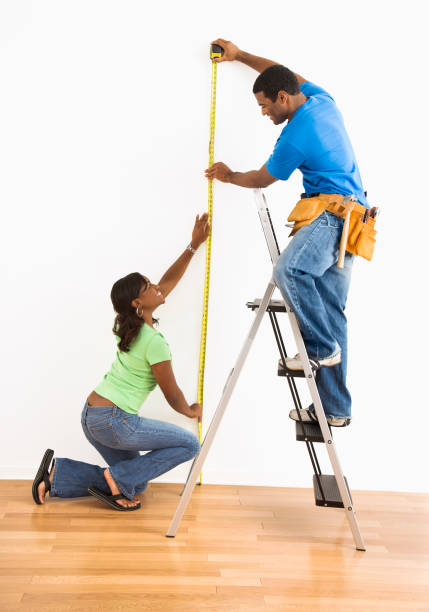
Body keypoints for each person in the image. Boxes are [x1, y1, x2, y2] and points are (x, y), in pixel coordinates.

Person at [205, 38, 370, 427]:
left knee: (289, 271)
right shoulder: (320, 99)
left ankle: (320, 348)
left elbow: (264, 177)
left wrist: (228, 176)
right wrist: (240, 55)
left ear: (282, 97)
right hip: (354, 218)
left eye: (265, 105)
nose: (263, 113)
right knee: (331, 312)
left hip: (332, 215)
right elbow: (281, 69)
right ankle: (335, 409)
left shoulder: (296, 134)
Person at [32, 213, 210, 511]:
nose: (157, 287)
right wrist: (190, 411)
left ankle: (57, 475)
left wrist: (193, 245)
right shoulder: (154, 341)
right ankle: (116, 479)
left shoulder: (131, 327)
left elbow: (167, 282)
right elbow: (172, 394)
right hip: (114, 420)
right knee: (190, 444)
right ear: (138, 304)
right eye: (149, 287)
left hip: (92, 416)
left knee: (136, 482)